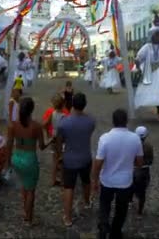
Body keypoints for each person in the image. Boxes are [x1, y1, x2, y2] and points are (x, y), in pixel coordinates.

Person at [92, 108, 143, 239]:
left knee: (104, 205)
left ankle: (103, 226)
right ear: (126, 121)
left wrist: (95, 180)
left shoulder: (105, 138)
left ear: (113, 121)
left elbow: (98, 163)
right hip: (125, 182)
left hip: (107, 180)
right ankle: (115, 232)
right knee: (121, 210)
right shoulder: (135, 139)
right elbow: (139, 162)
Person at [4, 97, 50, 225]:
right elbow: (41, 146)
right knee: (31, 191)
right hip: (29, 159)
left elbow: (8, 145)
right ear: (32, 110)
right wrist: (51, 140)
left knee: (24, 186)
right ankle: (28, 218)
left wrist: (8, 163)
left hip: (17, 158)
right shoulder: (36, 126)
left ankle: (25, 210)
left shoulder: (13, 125)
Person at [57, 92, 96, 227]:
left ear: (72, 104)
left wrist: (59, 156)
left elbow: (60, 141)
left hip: (69, 158)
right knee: (86, 181)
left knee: (69, 187)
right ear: (84, 105)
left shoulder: (64, 122)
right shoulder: (91, 121)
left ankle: (67, 217)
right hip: (85, 156)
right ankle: (87, 202)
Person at [41, 94, 69, 186]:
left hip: (53, 137)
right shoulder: (65, 116)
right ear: (63, 104)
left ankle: (53, 180)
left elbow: (44, 124)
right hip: (63, 139)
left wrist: (48, 134)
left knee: (54, 160)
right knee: (62, 161)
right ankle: (62, 180)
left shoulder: (52, 114)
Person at [132, 126, 153, 216]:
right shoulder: (149, 146)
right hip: (144, 171)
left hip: (132, 170)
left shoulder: (131, 145)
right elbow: (151, 161)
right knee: (142, 193)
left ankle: (129, 201)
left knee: (130, 188)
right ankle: (139, 212)